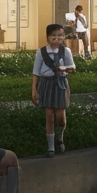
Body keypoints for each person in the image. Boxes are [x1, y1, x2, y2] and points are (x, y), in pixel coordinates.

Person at [31, 24, 76, 157]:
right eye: (53, 36)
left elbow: (72, 67)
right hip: (46, 84)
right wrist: (34, 88)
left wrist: (65, 69)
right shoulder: (41, 52)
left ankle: (60, 137)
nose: (57, 38)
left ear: (63, 37)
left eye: (60, 35)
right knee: (49, 116)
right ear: (48, 37)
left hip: (60, 83)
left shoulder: (65, 51)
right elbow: (36, 72)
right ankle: (51, 148)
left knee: (60, 117)